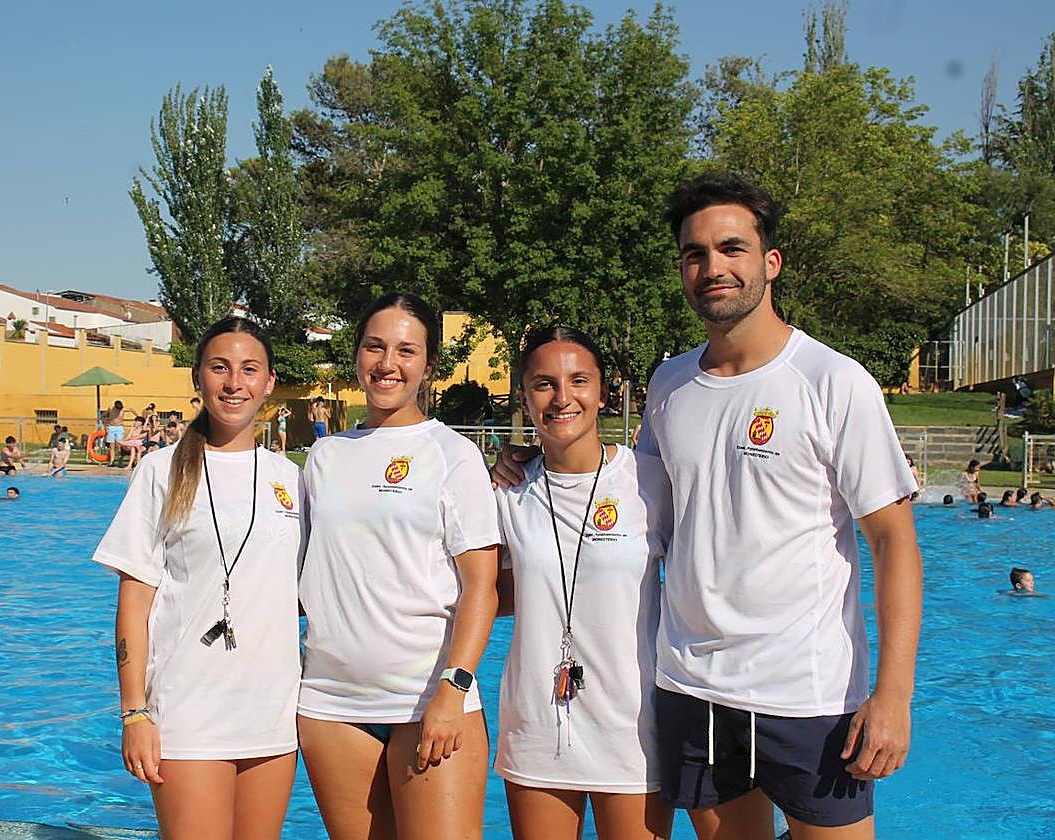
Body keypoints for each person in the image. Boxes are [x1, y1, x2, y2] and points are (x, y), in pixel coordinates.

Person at [494, 173, 922, 840]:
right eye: (696, 254)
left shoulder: (832, 383)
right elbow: (624, 499)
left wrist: (893, 695)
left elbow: (894, 540)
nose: (713, 268)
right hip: (692, 690)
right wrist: (525, 460)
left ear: (770, 262)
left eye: (732, 249)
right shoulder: (670, 386)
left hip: (808, 696)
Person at [92, 316, 307, 839]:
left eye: (250, 369)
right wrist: (134, 714)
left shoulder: (292, 480)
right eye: (220, 368)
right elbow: (134, 604)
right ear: (198, 378)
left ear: (270, 382)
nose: (235, 383)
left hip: (272, 716)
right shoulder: (160, 471)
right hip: (189, 714)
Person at [297, 292, 499, 840]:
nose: (388, 364)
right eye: (375, 347)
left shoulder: (453, 454)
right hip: (330, 703)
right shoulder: (324, 457)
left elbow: (482, 588)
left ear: (428, 365)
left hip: (429, 696)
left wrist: (454, 689)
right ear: (357, 354)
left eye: (406, 351)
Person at [494, 324, 673, 840]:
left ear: (603, 389)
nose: (562, 398)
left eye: (579, 381)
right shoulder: (506, 492)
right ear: (525, 396)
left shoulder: (650, 482)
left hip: (632, 728)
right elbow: (490, 594)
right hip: (537, 724)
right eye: (544, 383)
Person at [105, 400, 126, 467]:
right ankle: (112, 461)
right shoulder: (111, 408)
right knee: (112, 445)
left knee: (119, 445)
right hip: (111, 427)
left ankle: (120, 462)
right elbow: (106, 414)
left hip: (119, 427)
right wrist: (102, 417)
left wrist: (138, 417)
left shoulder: (123, 409)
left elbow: (132, 410)